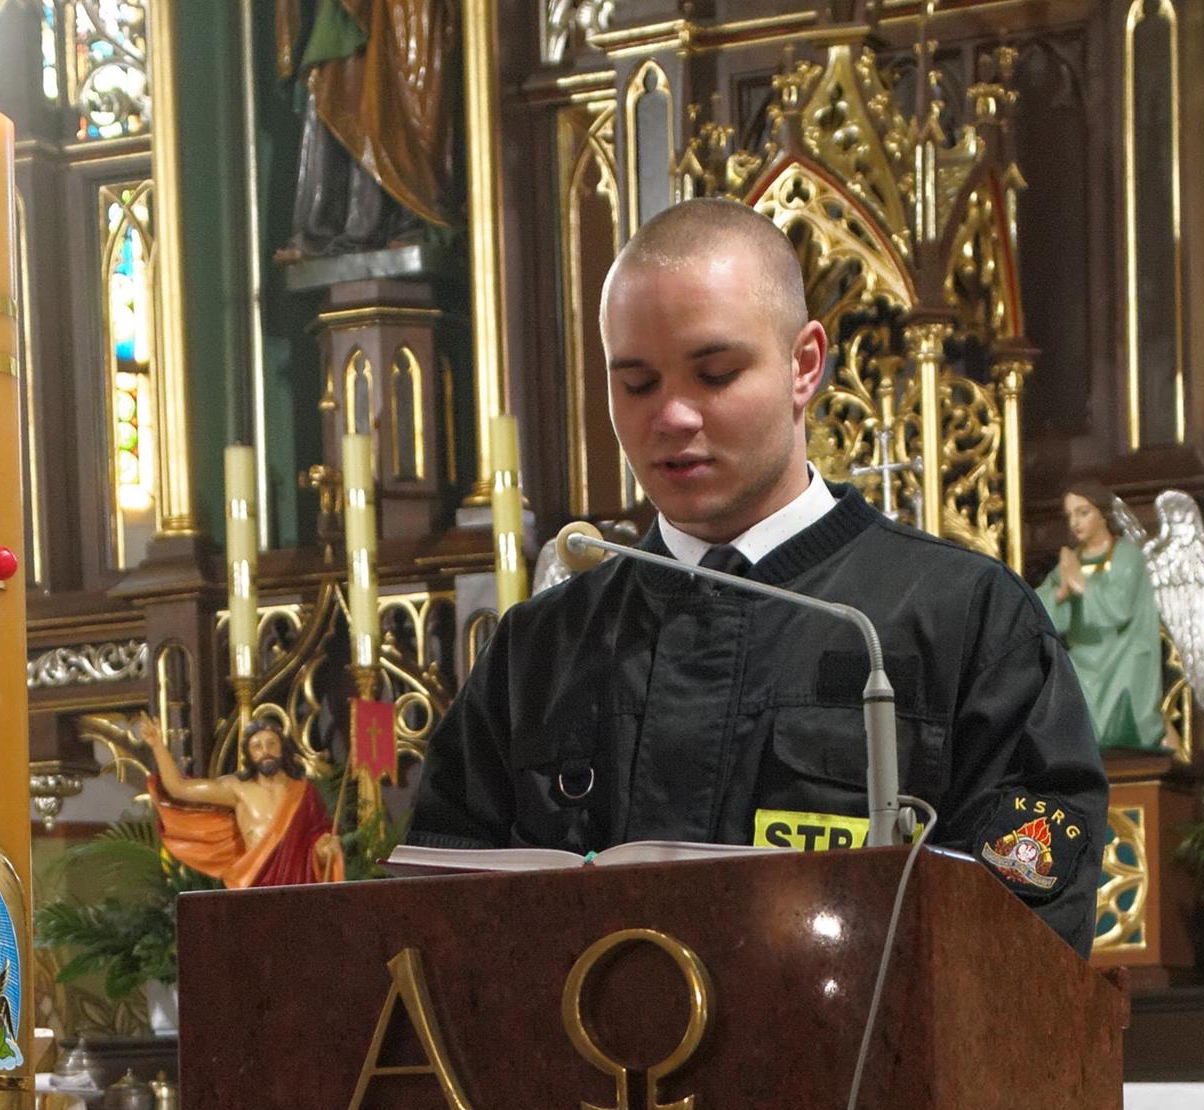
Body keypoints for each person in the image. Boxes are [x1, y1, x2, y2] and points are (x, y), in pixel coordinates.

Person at [407, 198, 1106, 954]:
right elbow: (432, 929)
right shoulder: (539, 650)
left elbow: (1023, 944)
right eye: (637, 384)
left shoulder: (963, 618)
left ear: (804, 365)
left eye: (714, 375)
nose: (672, 417)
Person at [136, 712, 344, 889]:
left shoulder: (304, 792)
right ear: (248, 754)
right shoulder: (237, 789)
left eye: (271, 743)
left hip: (297, 891)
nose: (265, 751)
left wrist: (323, 852)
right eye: (257, 746)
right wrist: (157, 745)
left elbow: (317, 841)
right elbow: (178, 788)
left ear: (282, 748)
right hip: (254, 887)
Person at [1037, 483, 1166, 753]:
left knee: (1127, 677)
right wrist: (1060, 594)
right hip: (1083, 656)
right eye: (1070, 515)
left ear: (1102, 514)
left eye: (1083, 512)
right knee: (1061, 678)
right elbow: (1039, 607)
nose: (1075, 522)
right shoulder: (1073, 560)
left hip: (1123, 654)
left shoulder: (1127, 556)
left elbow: (1120, 608)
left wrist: (1081, 583)